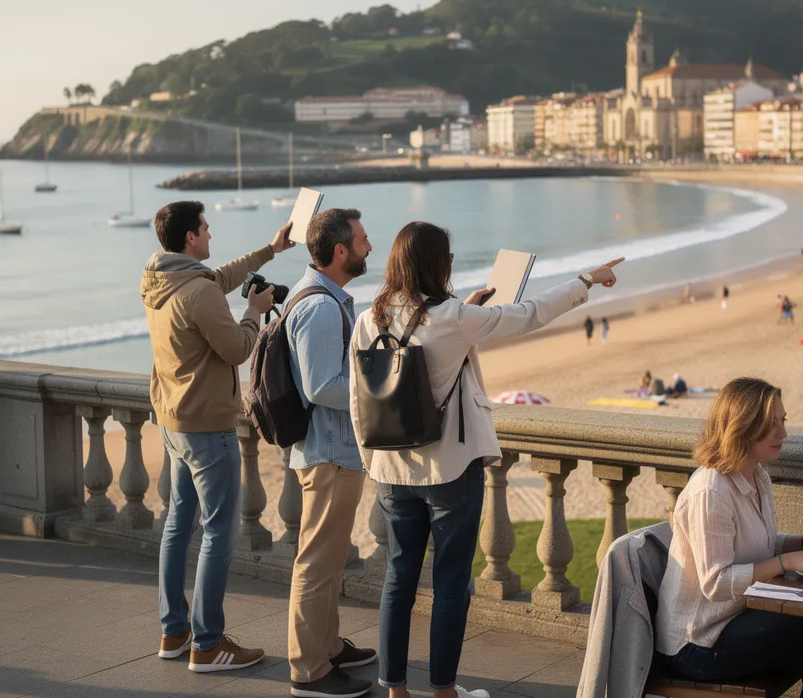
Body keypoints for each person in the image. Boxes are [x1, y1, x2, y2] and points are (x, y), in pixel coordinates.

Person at [349, 221, 622, 698]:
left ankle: (394, 688)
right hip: (449, 469)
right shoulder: (451, 319)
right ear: (437, 265)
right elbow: (530, 313)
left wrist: (370, 461)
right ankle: (444, 691)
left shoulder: (368, 318)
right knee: (451, 582)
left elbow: (359, 400)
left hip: (391, 470)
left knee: (399, 579)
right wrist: (585, 280)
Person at [655, 378, 803, 698]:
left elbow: (759, 541)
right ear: (742, 427)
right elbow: (715, 582)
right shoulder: (711, 491)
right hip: (699, 643)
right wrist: (786, 561)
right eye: (771, 423)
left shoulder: (756, 473)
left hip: (739, 618)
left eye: (783, 420)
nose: (783, 433)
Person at [142, 201, 292, 673]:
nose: (210, 234)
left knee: (177, 524)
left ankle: (174, 631)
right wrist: (254, 311)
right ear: (190, 237)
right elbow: (237, 348)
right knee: (219, 533)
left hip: (173, 422)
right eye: (206, 228)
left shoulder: (163, 280)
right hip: (207, 427)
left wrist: (271, 249)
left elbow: (218, 277)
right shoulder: (198, 293)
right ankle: (207, 644)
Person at [284, 209, 377, 698]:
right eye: (362, 240)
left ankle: (328, 646)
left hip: (329, 448)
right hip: (329, 451)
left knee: (329, 559)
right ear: (340, 251)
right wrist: (378, 392)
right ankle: (309, 670)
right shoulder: (321, 307)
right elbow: (322, 386)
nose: (369, 246)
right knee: (317, 564)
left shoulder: (321, 297)